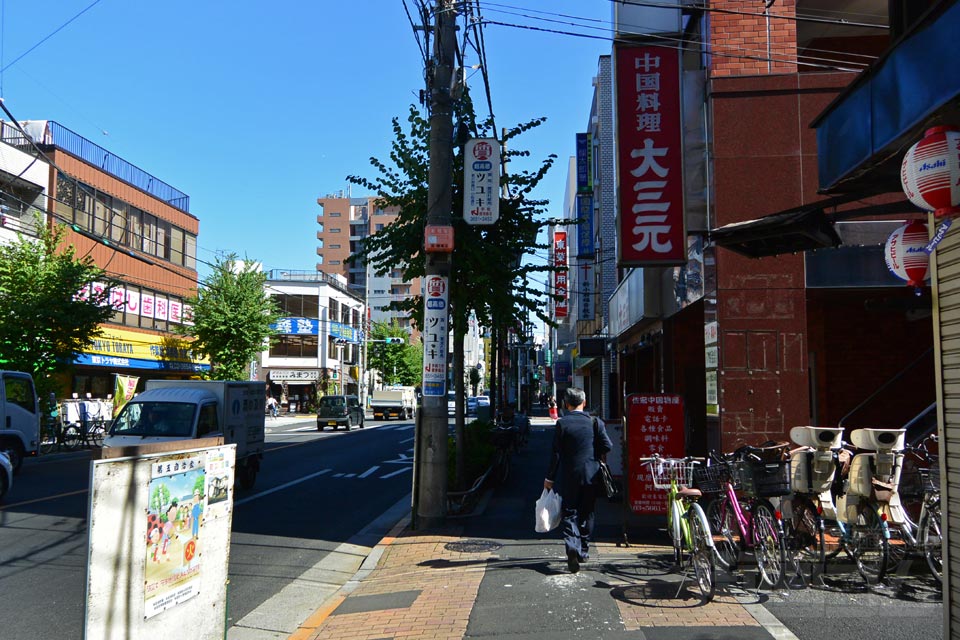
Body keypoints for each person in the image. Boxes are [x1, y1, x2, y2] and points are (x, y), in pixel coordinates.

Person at [543, 387, 612, 573]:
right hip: (591, 474)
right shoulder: (594, 422)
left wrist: (550, 478)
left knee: (570, 511)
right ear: (584, 402)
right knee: (587, 512)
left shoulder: (562, 424)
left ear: (566, 404)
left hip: (570, 475)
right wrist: (593, 455)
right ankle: (583, 550)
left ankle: (572, 546)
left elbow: (556, 454)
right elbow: (607, 445)